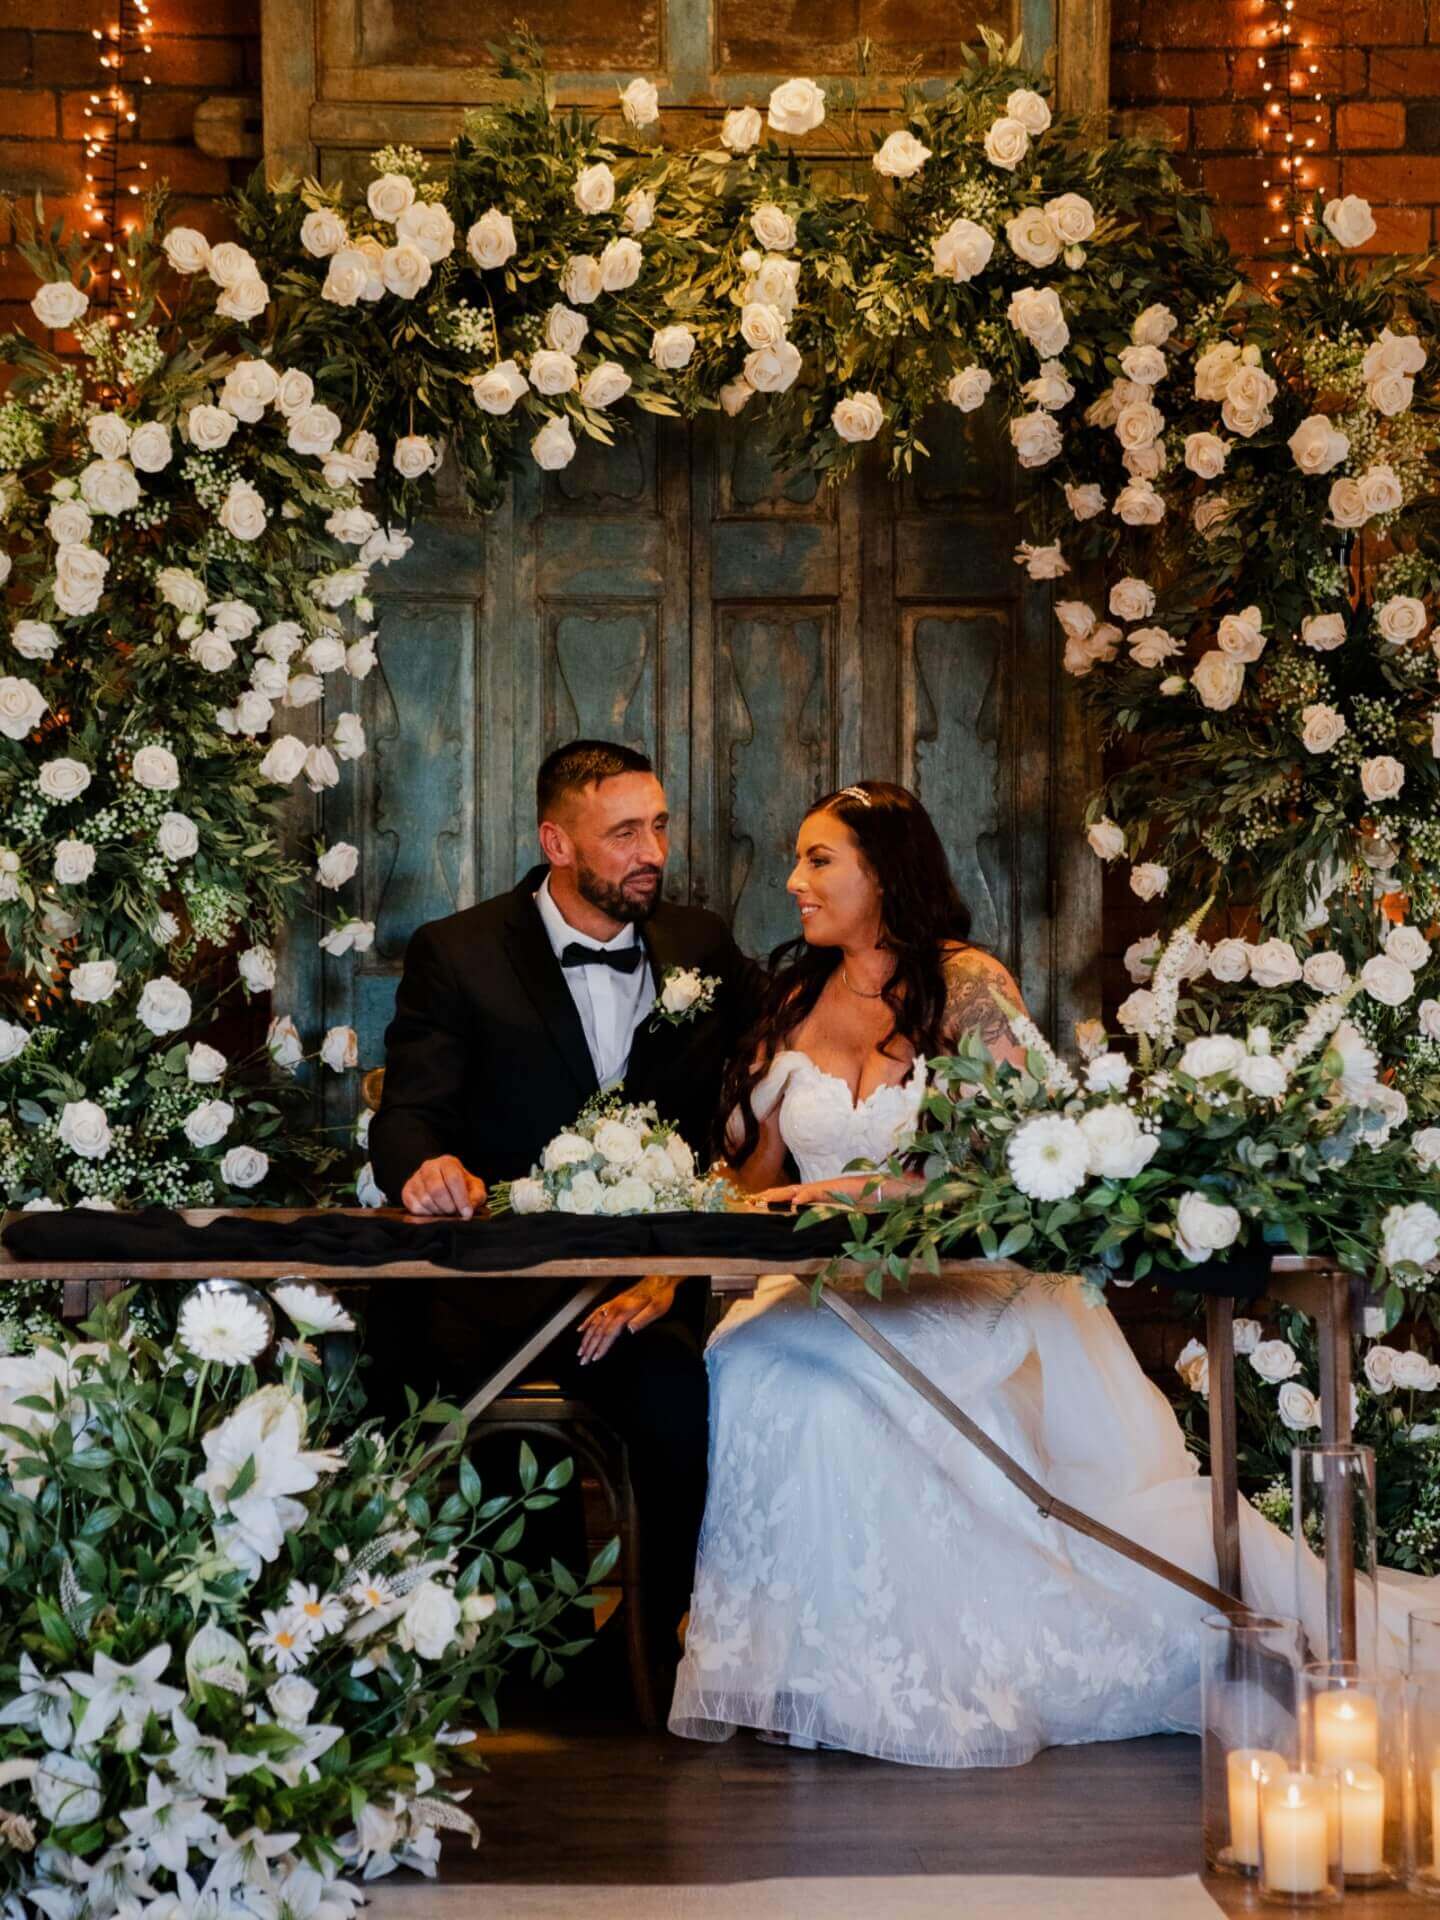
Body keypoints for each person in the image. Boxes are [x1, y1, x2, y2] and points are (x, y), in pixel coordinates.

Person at [668, 779, 1435, 1768]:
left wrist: (902, 1192)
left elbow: (1033, 1162)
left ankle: (913, 1670)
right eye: (800, 858)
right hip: (824, 1285)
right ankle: (805, 1668)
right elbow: (753, 1181)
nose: (794, 881)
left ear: (883, 874)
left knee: (826, 1385)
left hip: (957, 1281)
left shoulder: (965, 985)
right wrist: (736, 1183)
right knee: (756, 1357)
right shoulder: (793, 997)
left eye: (820, 860)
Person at [369, 739, 757, 1642]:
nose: (651, 851)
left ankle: (667, 1647)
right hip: (500, 1292)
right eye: (623, 833)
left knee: (681, 1404)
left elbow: (776, 1066)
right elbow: (410, 1113)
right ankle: (530, 1645)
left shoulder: (700, 944)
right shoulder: (458, 953)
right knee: (449, 1405)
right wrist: (425, 1166)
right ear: (557, 841)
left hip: (646, 1294)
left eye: (657, 826)